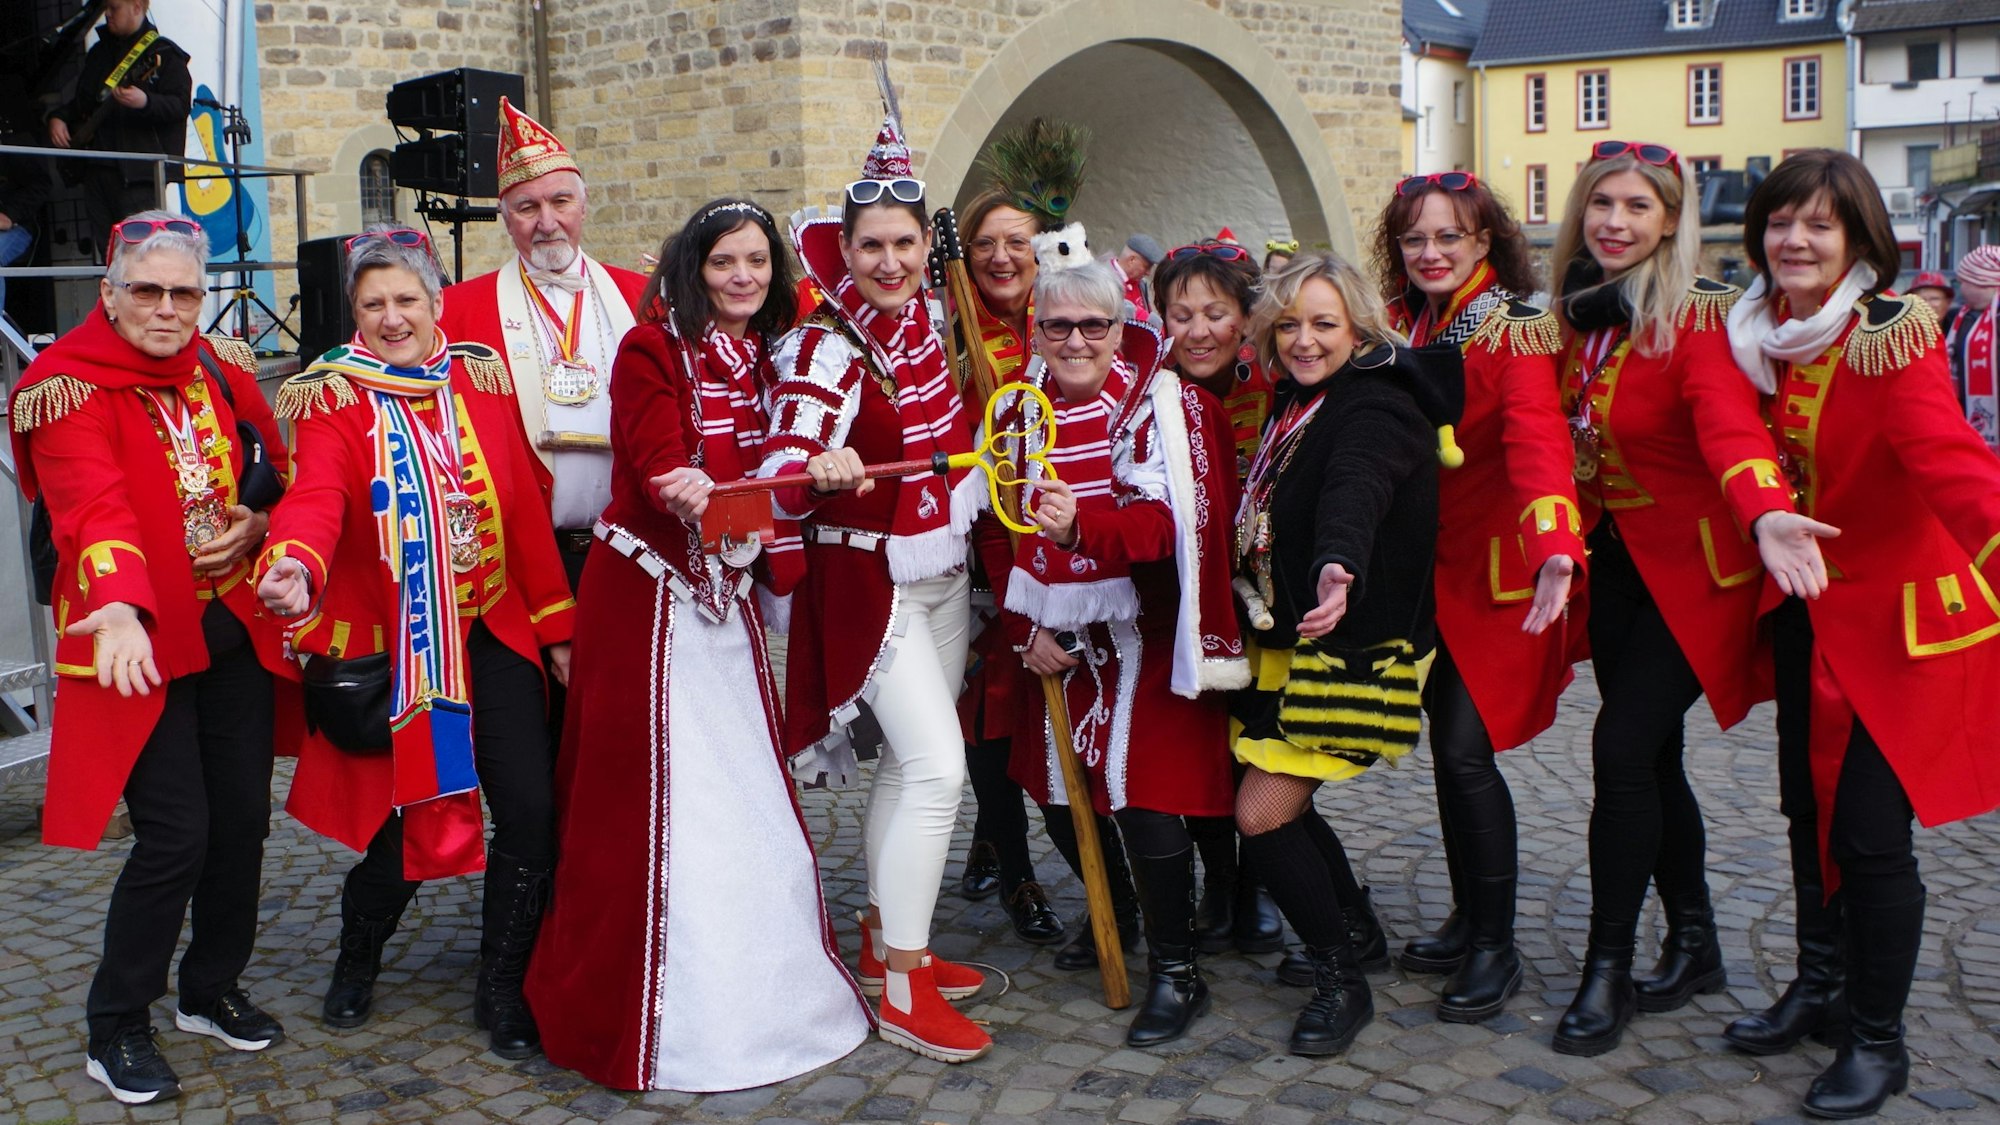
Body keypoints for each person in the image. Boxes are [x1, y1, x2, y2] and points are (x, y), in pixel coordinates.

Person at [523, 198, 870, 1091]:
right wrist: (703, 488)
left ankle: (765, 991)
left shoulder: (771, 360)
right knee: (646, 796)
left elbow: (784, 480)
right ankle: (638, 1005)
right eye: (725, 262)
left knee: (740, 782)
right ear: (693, 267)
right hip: (647, 599)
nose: (743, 277)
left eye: (757, 261)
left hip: (725, 602)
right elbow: (654, 462)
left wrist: (826, 474)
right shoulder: (651, 350)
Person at [1725, 149, 2000, 1119]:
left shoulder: (1888, 338)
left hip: (1897, 625)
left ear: (1857, 243)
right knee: (1805, 813)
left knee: (1872, 837)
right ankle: (1818, 986)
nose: (1792, 241)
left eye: (1817, 225)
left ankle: (1875, 1041)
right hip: (1805, 611)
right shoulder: (1755, 331)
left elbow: (1950, 464)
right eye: (1777, 221)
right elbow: (1734, 442)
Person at [256, 225, 576, 1060]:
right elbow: (317, 495)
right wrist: (294, 560)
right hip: (409, 644)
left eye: (407, 300)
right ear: (354, 313)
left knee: (532, 812)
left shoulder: (477, 378)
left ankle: (501, 984)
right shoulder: (331, 396)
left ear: (436, 303)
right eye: (374, 303)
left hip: (494, 627)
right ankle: (357, 951)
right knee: (414, 815)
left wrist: (558, 629)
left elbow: (520, 510)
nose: (392, 317)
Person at [9, 212, 291, 1104]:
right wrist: (122, 606)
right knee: (176, 834)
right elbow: (89, 506)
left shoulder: (220, 365)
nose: (168, 309)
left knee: (243, 820)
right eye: (148, 291)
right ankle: (116, 1019)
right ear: (110, 292)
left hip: (228, 626)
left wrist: (260, 523)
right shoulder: (62, 385)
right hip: (132, 637)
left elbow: (275, 465)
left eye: (183, 293)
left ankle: (209, 988)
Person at [1546, 140, 1805, 1056]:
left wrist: (1767, 509)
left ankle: (1606, 968)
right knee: (1652, 759)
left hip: (1698, 577)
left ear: (1670, 221)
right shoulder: (1580, 314)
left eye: (1638, 208)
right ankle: (1694, 941)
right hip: (1617, 568)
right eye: (1602, 204)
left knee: (1620, 750)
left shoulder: (1696, 317)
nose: (1615, 222)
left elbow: (1728, 424)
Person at [759, 116, 992, 1063]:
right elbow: (779, 458)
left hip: (942, 569)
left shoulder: (929, 324)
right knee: (940, 768)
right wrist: (821, 459)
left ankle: (888, 936)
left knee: (909, 764)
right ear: (842, 251)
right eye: (871, 246)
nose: (889, 261)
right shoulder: (825, 347)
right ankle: (901, 984)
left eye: (903, 243)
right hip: (872, 580)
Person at [980, 257, 1247, 1047]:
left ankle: (1178, 968)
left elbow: (1172, 530)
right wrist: (1022, 626)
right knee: (1058, 791)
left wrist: (1079, 530)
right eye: (1057, 325)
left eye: (1092, 325)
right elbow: (996, 527)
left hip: (1151, 636)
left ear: (1120, 327)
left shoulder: (1169, 407)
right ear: (1038, 330)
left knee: (1146, 799)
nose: (1074, 340)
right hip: (1056, 636)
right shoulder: (1017, 409)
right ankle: (1119, 913)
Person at [1230, 252, 1461, 1058]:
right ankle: (1355, 929)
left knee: (1261, 812)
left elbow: (1355, 489)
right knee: (1281, 801)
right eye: (1287, 324)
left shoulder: (1373, 406)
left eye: (1323, 324)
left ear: (1359, 327)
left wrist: (1340, 563)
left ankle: (1342, 979)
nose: (1303, 340)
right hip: (1296, 640)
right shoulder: (1298, 399)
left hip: (1356, 645)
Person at [1375, 171, 1582, 1024]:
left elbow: (1538, 440)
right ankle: (1468, 917)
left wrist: (1557, 547)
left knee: (1465, 750)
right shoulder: (1413, 318)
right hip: (1434, 572)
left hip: (1506, 575)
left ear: (1485, 243)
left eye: (1447, 238)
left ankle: (1497, 946)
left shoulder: (1518, 327)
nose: (1429, 252)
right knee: (1447, 754)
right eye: (1415, 239)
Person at [437, 97, 647, 593]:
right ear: (505, 218)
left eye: (560, 202)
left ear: (584, 204)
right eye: (527, 207)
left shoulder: (644, 297)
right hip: (524, 563)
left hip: (636, 549)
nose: (547, 222)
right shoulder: (455, 311)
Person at [1149, 240, 1289, 968]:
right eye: (1182, 314)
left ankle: (1264, 882)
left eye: (1215, 313)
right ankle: (1222, 883)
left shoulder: (1277, 386)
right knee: (1202, 749)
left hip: (1270, 601)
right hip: (1189, 604)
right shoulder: (1151, 396)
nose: (1198, 330)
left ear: (1245, 317)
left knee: (1259, 747)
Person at [948, 187, 1065, 948]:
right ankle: (1016, 865)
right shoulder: (949, 330)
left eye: (1015, 242)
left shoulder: (1068, 317)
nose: (1000, 257)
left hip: (1059, 547)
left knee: (1050, 708)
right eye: (985, 243)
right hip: (977, 558)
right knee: (984, 712)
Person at [44, 0, 189, 259]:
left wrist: (145, 102)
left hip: (139, 174)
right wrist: (57, 117)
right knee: (109, 255)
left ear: (136, 7)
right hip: (97, 169)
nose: (107, 15)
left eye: (113, 8)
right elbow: (83, 103)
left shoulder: (164, 52)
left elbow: (180, 105)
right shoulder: (99, 53)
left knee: (142, 254)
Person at [1944, 247, 1999, 453]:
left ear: (1985, 284)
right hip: (1967, 415)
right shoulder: (1959, 317)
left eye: (1965, 282)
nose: (1961, 288)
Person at [1112, 232, 1163, 320]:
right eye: (1146, 267)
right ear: (1132, 260)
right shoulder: (1103, 282)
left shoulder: (1141, 284)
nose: (1148, 273)